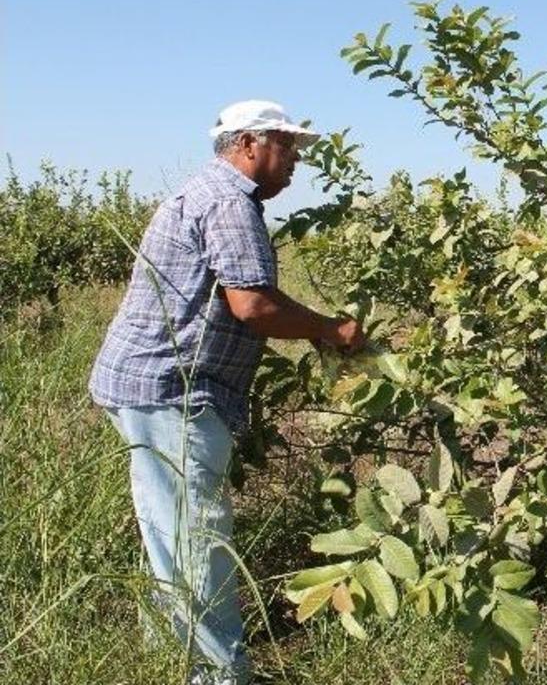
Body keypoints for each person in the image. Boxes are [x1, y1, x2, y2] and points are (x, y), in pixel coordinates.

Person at [89, 100, 364, 684]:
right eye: (286, 148)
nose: (294, 162)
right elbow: (253, 305)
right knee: (197, 535)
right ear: (248, 145)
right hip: (172, 389)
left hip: (148, 384)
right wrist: (329, 329)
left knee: (170, 526)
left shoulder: (210, 195)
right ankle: (216, 674)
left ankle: (173, 656)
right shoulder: (227, 202)